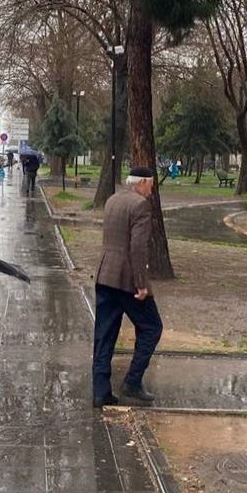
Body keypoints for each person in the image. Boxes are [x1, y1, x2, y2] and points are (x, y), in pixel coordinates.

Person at [92, 166, 162, 407]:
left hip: (104, 275)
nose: (151, 191)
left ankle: (100, 392)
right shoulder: (140, 206)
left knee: (104, 335)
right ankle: (132, 382)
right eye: (151, 185)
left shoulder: (112, 200)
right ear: (141, 183)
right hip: (127, 281)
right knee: (152, 327)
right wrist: (141, 284)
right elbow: (138, 248)